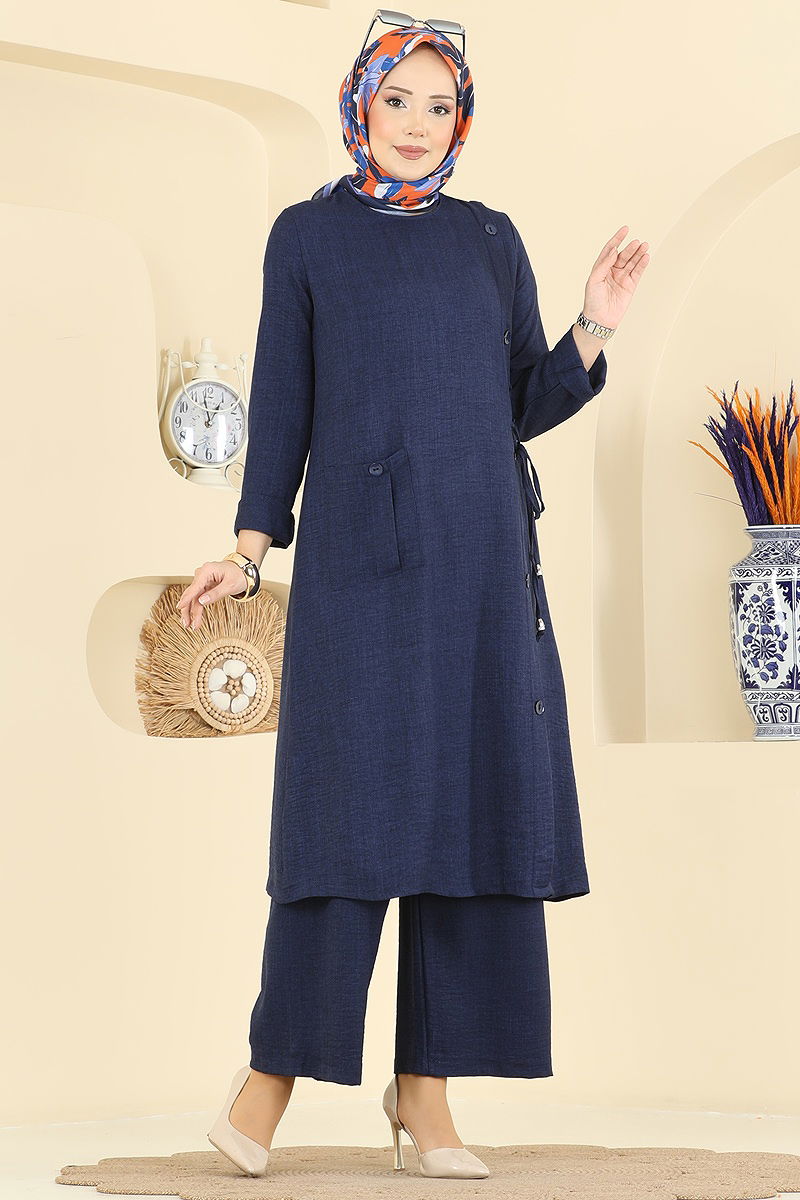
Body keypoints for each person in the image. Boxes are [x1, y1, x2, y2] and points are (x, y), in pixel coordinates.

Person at [176, 12, 650, 1182]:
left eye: (441, 107)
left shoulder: (488, 238)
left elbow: (519, 402)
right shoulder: (307, 237)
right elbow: (282, 402)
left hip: (483, 569)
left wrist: (591, 322)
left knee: (469, 823)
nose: (418, 125)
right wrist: (249, 547)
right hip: (359, 574)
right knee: (344, 822)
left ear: (460, 120)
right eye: (399, 101)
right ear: (360, 104)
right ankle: (267, 1083)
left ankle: (426, 1098)